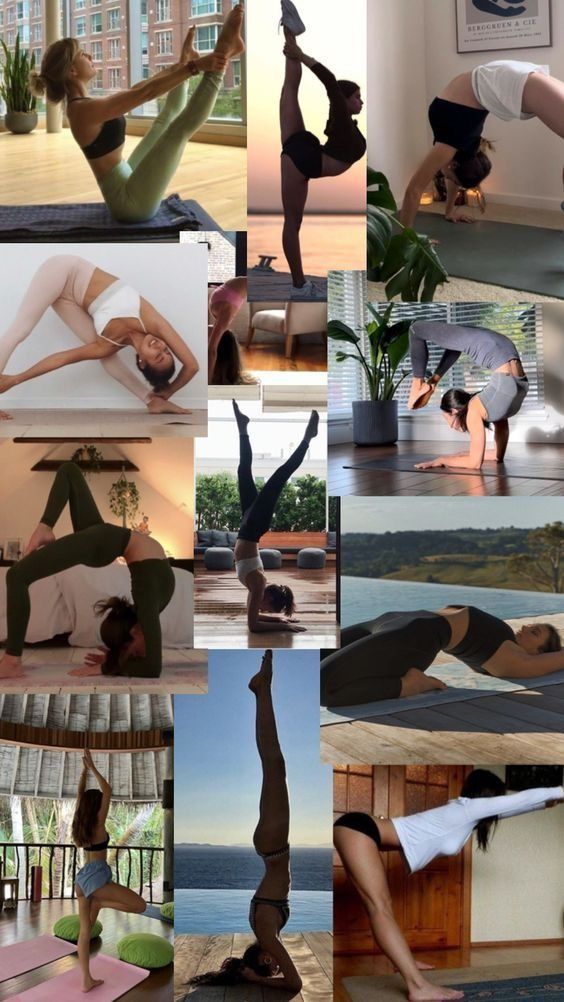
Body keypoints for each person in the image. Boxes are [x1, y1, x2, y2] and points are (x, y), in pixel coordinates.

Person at [334, 770, 564, 1002]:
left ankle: (404, 961)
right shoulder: (467, 809)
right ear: (487, 794)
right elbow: (517, 799)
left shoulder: (466, 815)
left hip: (361, 830)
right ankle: (418, 987)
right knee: (379, 908)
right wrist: (559, 791)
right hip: (357, 830)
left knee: (382, 908)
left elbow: (509, 809)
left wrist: (544, 805)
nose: (497, 804)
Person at [28, 7, 245, 223]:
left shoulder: (83, 105)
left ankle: (220, 54)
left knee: (164, 122)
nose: (90, 55)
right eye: (82, 53)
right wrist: (195, 67)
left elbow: (141, 87)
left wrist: (184, 64)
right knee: (177, 131)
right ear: (72, 70)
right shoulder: (81, 111)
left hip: (125, 177)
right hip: (131, 205)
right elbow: (145, 93)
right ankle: (222, 55)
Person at [188, 651, 303, 993]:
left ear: (263, 958)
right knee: (275, 766)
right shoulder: (267, 933)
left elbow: (294, 984)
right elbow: (289, 979)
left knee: (274, 765)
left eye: (270, 966)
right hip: (271, 848)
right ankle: (262, 690)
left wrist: (253, 979)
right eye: (274, 967)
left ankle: (261, 690)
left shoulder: (266, 933)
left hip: (273, 848)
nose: (277, 964)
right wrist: (257, 977)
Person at [0, 462, 174, 679]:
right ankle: (45, 526)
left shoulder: (147, 604)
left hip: (106, 541)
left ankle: (11, 660)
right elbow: (152, 668)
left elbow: (151, 668)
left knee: (16, 575)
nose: (147, 654)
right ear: (133, 632)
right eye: (138, 652)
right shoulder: (147, 605)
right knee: (69, 471)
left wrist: (111, 663)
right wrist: (110, 665)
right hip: (105, 540)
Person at [0, 254, 200, 419]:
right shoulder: (153, 321)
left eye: (157, 356)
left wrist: (16, 379)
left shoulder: (107, 345)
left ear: (141, 362)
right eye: (166, 351)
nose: (160, 347)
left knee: (107, 356)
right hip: (64, 269)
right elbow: (192, 366)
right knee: (21, 330)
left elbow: (62, 358)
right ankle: (154, 399)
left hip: (68, 300)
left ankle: (151, 401)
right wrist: (169, 391)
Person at [400, 60, 564, 229]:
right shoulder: (460, 149)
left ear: (454, 164)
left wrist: (406, 239)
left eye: (448, 177)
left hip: (519, 84)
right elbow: (455, 175)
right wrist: (449, 212)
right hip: (510, 79)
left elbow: (413, 190)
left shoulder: (451, 146)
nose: (446, 178)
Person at [278, 1, 365, 298]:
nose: (361, 102)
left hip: (306, 147)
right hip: (306, 161)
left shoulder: (346, 122)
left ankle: (290, 29)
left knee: (290, 87)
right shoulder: (341, 115)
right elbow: (329, 81)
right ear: (346, 99)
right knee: (293, 221)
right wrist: (304, 57)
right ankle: (299, 286)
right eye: (357, 97)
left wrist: (297, 50)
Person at [320, 605, 563, 707]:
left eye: (535, 632)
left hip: (414, 635)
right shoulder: (507, 642)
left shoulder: (516, 661)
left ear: (539, 653)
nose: (526, 627)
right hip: (390, 619)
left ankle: (409, 685)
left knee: (322, 686)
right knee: (314, 653)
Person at [233, 399, 318, 634]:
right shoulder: (258, 584)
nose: (264, 610)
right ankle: (308, 437)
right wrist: (285, 628)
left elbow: (252, 620)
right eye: (270, 609)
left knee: (243, 471)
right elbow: (254, 627)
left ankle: (243, 427)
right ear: (269, 598)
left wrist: (282, 622)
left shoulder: (256, 588)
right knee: (280, 476)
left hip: (247, 526)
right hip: (253, 526)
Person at [406, 321, 529, 471]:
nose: (452, 427)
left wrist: (441, 460)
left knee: (415, 329)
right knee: (457, 344)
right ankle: (431, 383)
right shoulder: (491, 404)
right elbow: (497, 456)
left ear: (454, 411)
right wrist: (464, 454)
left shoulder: (475, 409)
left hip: (510, 383)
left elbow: (474, 464)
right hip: (518, 380)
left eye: (450, 422)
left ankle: (417, 385)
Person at [73, 749, 146, 994]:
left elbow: (79, 795)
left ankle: (86, 980)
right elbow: (108, 791)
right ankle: (103, 903)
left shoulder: (80, 824)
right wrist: (92, 766)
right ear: (96, 806)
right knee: (140, 906)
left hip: (82, 881)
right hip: (97, 879)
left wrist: (83, 772)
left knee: (85, 933)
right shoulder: (98, 823)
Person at [207, 277, 251, 384]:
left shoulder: (219, 316)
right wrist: (208, 382)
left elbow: (211, 352)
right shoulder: (224, 318)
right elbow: (212, 352)